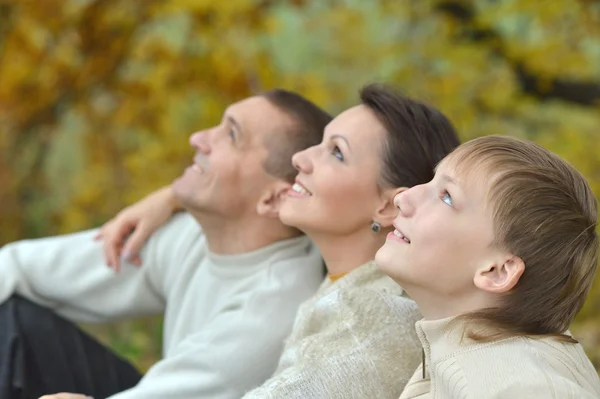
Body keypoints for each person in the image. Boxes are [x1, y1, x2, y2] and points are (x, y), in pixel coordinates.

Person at [93, 84, 461, 398]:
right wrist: (171, 198)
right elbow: (252, 196)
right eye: (318, 143)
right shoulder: (346, 275)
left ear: (386, 205)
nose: (300, 158)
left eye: (336, 153)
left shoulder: (370, 333)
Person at [0, 89, 333, 399]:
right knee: (13, 321)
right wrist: (172, 196)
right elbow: (18, 266)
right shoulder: (192, 235)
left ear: (274, 197)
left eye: (231, 134)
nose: (199, 138)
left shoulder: (267, 318)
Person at [375, 135, 600, 398]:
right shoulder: (478, 359)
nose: (404, 197)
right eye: (432, 181)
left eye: (447, 197)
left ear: (497, 271)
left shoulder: (519, 388)